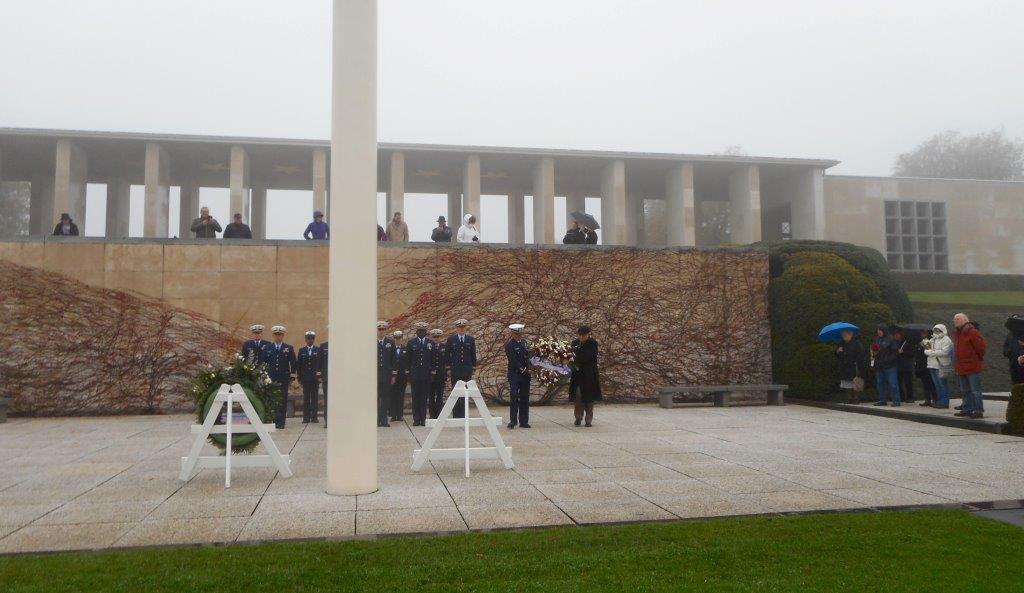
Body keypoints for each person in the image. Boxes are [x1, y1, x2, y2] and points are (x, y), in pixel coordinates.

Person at [952, 313, 986, 419]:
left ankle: (978, 410)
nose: (955, 321)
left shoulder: (972, 332)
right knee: (965, 390)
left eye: (957, 319)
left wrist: (974, 359)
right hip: (961, 366)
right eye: (954, 319)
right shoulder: (958, 333)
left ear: (965, 320)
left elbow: (982, 347)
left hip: (972, 366)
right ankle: (967, 409)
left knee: (975, 390)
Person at [265, 326, 296, 429]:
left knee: (282, 399)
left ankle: (281, 422)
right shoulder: (268, 347)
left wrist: (292, 376)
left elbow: (293, 362)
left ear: (283, 335)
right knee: (272, 399)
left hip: (283, 378)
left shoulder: (288, 348)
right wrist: (264, 375)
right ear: (273, 335)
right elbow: (264, 363)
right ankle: (274, 421)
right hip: (271, 377)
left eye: (280, 334)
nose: (278, 336)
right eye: (276, 334)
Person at [446, 319, 477, 418]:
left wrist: (473, 368)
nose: (461, 329)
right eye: (460, 327)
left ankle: (464, 413)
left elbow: (473, 354)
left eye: (463, 327)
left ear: (465, 328)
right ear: (457, 328)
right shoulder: (451, 340)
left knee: (465, 392)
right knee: (455, 392)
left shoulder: (470, 339)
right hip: (456, 370)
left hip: (467, 370)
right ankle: (456, 414)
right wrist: (448, 368)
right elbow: (447, 355)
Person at [406, 322, 436, 426]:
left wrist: (432, 373)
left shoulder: (430, 343)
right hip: (415, 375)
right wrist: (408, 374)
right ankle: (416, 419)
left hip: (426, 375)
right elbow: (408, 360)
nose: (421, 332)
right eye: (419, 331)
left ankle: (423, 419)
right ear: (416, 332)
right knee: (416, 398)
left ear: (426, 332)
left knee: (424, 398)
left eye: (423, 331)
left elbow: (433, 359)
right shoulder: (411, 343)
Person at [571, 324, 602, 426]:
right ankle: (578, 417)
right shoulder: (575, 343)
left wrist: (574, 358)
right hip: (578, 375)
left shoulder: (593, 344)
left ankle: (588, 419)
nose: (581, 337)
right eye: (580, 335)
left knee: (589, 398)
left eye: (583, 335)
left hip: (589, 375)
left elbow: (587, 357)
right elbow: (570, 354)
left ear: (588, 334)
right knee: (578, 396)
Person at [505, 323, 532, 429]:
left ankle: (524, 421)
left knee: (525, 397)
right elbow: (513, 360)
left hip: (525, 376)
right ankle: (513, 420)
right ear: (512, 333)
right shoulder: (509, 345)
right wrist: (523, 369)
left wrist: (531, 367)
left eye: (520, 334)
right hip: (515, 374)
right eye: (516, 334)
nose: (518, 336)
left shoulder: (525, 343)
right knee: (514, 396)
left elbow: (529, 357)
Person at [924, 324, 953, 409]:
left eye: (938, 330)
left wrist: (932, 352)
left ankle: (944, 402)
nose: (936, 332)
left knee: (942, 384)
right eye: (935, 330)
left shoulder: (946, 340)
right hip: (932, 364)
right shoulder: (932, 339)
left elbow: (945, 352)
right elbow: (926, 351)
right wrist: (932, 352)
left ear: (942, 330)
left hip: (941, 365)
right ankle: (938, 401)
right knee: (937, 384)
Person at [871, 325, 901, 406]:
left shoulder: (891, 339)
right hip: (879, 365)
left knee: (893, 384)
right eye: (877, 330)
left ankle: (896, 401)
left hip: (890, 365)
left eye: (880, 330)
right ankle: (882, 400)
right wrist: (874, 354)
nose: (878, 332)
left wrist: (888, 359)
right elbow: (874, 350)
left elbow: (895, 352)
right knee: (880, 384)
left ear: (884, 330)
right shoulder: (876, 339)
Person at [296, 331, 322, 423]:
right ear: (305, 340)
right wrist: (299, 378)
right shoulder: (301, 350)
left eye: (311, 338)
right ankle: (306, 417)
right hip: (305, 379)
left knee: (314, 398)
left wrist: (319, 376)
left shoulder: (318, 350)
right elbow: (299, 365)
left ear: (313, 339)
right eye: (308, 338)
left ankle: (314, 417)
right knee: (306, 398)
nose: (310, 340)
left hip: (315, 379)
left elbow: (320, 364)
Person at [835, 329, 865, 404]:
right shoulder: (841, 343)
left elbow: (861, 354)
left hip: (854, 366)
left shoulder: (856, 343)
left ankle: (856, 398)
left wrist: (857, 362)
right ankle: (849, 398)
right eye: (843, 335)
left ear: (850, 335)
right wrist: (837, 351)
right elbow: (837, 355)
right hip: (845, 366)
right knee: (847, 382)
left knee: (855, 382)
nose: (844, 337)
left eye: (845, 335)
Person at [376, 321, 397, 427]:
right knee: (375, 398)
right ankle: (375, 420)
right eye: (379, 329)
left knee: (385, 398)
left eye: (383, 329)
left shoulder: (390, 342)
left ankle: (384, 420)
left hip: (386, 375)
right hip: (374, 376)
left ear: (386, 331)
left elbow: (394, 360)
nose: (381, 331)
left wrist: (393, 375)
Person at [913, 328, 937, 406]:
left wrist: (924, 345)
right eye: (922, 332)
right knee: (925, 383)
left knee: (931, 383)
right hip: (920, 365)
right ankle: (927, 399)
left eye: (924, 332)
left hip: (928, 365)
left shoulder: (929, 341)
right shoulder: (919, 342)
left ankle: (935, 399)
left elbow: (929, 351)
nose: (923, 334)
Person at [893, 328, 917, 403]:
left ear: (901, 335)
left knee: (908, 382)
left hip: (907, 365)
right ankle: (901, 397)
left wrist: (903, 352)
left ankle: (910, 397)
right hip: (898, 365)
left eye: (897, 334)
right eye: (895, 335)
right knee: (898, 382)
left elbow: (912, 354)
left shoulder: (908, 343)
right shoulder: (895, 343)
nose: (896, 336)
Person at [390, 330, 409, 422]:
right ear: (394, 339)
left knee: (401, 395)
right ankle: (393, 415)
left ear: (402, 338)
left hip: (402, 376)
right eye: (396, 338)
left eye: (399, 338)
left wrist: (407, 372)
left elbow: (408, 362)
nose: (398, 340)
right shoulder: (390, 349)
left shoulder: (405, 349)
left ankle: (400, 415)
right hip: (393, 377)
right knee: (393, 395)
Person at [429, 328, 448, 419]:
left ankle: (439, 414)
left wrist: (446, 374)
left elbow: (447, 361)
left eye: (438, 337)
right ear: (432, 337)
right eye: (435, 337)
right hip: (431, 377)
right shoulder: (429, 347)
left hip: (441, 375)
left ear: (441, 337)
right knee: (431, 396)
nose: (436, 338)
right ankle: (432, 415)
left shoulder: (444, 347)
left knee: (440, 396)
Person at [319, 336, 329, 428]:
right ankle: (327, 421)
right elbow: (319, 361)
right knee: (327, 399)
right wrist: (319, 376)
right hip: (326, 378)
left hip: (339, 378)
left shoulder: (342, 345)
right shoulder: (323, 346)